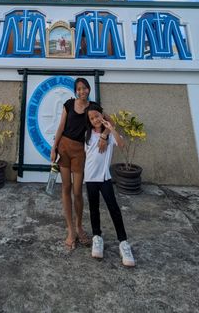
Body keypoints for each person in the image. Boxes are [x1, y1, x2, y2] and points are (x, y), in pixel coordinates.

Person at [51, 77, 109, 250]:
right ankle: (70, 230)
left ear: (89, 89)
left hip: (80, 152)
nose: (82, 91)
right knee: (66, 189)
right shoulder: (69, 104)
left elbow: (110, 122)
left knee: (77, 192)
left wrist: (105, 135)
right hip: (64, 148)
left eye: (84, 88)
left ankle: (79, 226)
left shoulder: (93, 107)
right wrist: (54, 148)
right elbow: (61, 126)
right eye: (79, 89)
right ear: (75, 91)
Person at [84, 109, 136, 267]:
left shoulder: (109, 134)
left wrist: (110, 128)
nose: (95, 120)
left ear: (102, 116)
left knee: (113, 208)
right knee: (94, 208)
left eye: (97, 116)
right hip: (90, 178)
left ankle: (123, 242)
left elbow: (122, 145)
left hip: (104, 178)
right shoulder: (86, 135)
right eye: (92, 118)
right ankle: (97, 237)